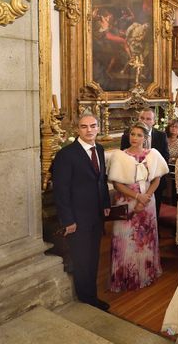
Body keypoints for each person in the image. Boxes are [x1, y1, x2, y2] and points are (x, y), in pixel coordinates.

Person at [52, 113, 111, 311]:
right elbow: (61, 191)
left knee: (93, 256)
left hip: (96, 215)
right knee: (82, 258)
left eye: (93, 126)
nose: (89, 130)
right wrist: (68, 220)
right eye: (84, 127)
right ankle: (87, 298)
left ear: (98, 127)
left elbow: (101, 180)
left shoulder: (100, 149)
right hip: (77, 218)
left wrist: (105, 204)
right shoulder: (66, 154)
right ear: (78, 129)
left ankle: (90, 294)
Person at [108, 121, 169, 291]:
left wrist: (146, 198)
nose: (134, 138)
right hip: (127, 202)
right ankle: (126, 278)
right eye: (132, 134)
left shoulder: (153, 154)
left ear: (145, 137)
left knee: (145, 239)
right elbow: (117, 184)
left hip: (148, 203)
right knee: (126, 239)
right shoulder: (119, 155)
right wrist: (137, 197)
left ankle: (146, 274)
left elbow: (157, 179)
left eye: (139, 135)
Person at [120, 108, 170, 222]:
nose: (144, 121)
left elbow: (165, 157)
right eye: (142, 118)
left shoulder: (161, 136)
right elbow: (123, 160)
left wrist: (152, 173)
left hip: (154, 182)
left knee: (153, 213)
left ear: (153, 121)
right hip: (133, 184)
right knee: (132, 217)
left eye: (148, 119)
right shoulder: (128, 135)